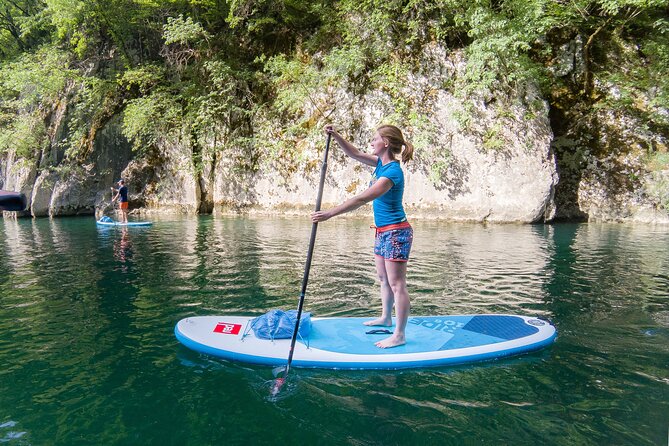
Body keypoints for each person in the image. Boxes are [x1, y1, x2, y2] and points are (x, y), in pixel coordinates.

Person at [311, 124, 414, 348]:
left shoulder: (392, 173)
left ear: (385, 143)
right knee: (383, 279)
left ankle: (399, 334)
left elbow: (361, 199)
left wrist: (329, 214)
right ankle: (386, 317)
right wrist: (336, 135)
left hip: (397, 232)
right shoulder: (380, 164)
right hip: (382, 231)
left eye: (375, 139)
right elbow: (354, 153)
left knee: (397, 284)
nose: (371, 142)